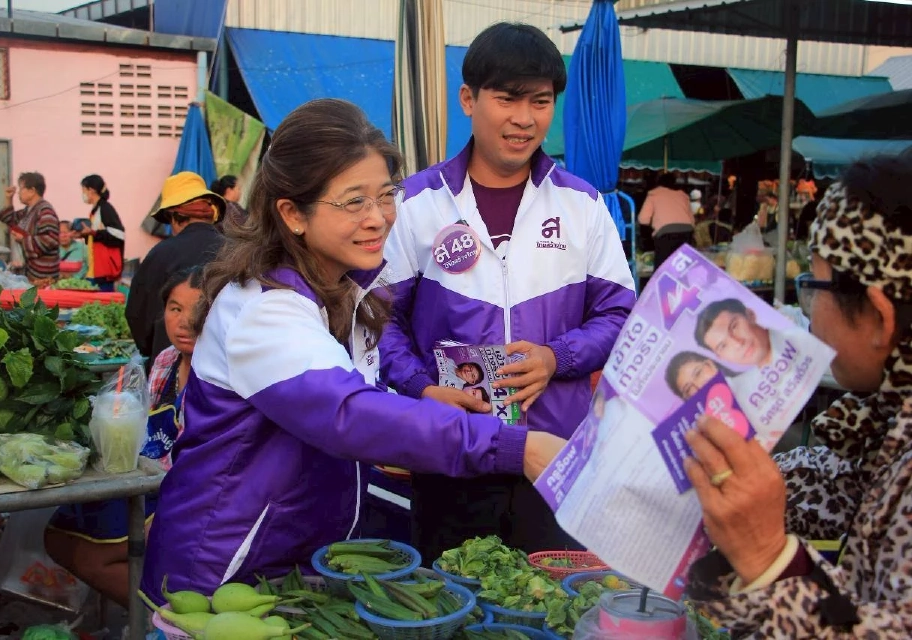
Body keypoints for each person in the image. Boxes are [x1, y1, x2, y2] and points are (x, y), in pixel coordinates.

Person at [140, 99, 566, 602]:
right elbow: (348, 413)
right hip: (221, 572)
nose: (379, 218)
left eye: (386, 196)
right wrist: (514, 447)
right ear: (292, 214)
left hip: (292, 564)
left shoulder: (346, 291)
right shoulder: (263, 312)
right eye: (353, 201)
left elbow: (356, 392)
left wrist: (420, 402)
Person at [379, 23, 635, 560]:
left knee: (549, 608)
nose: (524, 118)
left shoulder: (582, 205)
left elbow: (619, 315)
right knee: (450, 604)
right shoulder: (416, 204)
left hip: (555, 457)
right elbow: (378, 323)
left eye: (540, 102)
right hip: (451, 451)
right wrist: (424, 390)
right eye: (508, 99)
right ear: (468, 99)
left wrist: (554, 357)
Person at [684, 153, 912, 637]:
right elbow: (832, 484)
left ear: (879, 316)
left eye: (813, 284)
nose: (809, 316)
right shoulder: (889, 428)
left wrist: (768, 560)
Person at [46, 266, 204, 608]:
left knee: (93, 557)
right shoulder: (165, 361)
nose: (185, 321)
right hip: (147, 481)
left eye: (199, 309)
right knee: (57, 536)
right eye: (175, 308)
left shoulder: (220, 374)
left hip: (188, 496)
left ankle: (170, 622)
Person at [125, 172, 225, 368]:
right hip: (225, 367)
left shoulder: (160, 254)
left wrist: (152, 348)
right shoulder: (236, 252)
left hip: (171, 367)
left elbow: (137, 313)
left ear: (176, 218)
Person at [0, 171, 59, 285]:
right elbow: (10, 219)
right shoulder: (28, 211)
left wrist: (23, 239)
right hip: (30, 272)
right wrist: (9, 198)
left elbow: (50, 239)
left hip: (43, 274)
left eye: (21, 189)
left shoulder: (45, 211)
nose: (19, 193)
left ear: (32, 191)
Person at [638, 172, 695, 268]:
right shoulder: (683, 196)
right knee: (682, 267)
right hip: (686, 232)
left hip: (665, 234)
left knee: (662, 267)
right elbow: (692, 221)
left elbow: (643, 219)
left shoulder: (654, 195)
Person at [78, 175, 125, 291]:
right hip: (94, 269)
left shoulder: (105, 209)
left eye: (83, 190)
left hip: (104, 271)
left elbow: (118, 235)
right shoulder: (95, 210)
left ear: (91, 190)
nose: (82, 194)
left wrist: (94, 234)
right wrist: (84, 235)